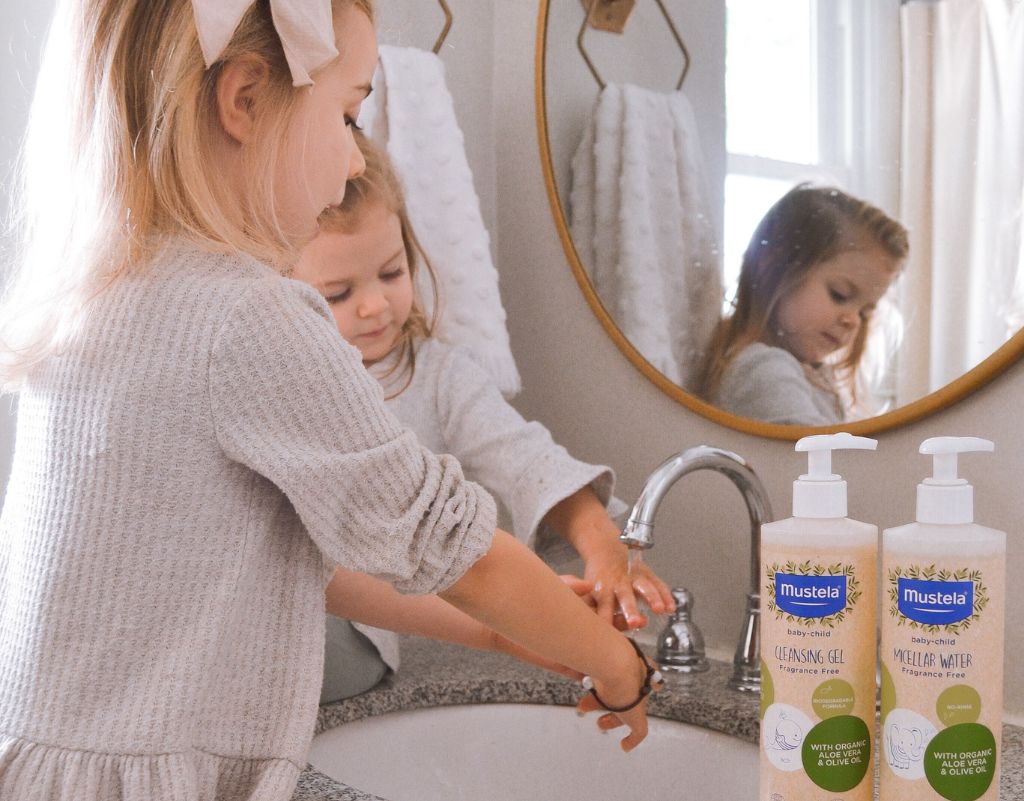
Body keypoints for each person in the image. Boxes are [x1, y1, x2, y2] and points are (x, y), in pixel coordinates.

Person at [0, 2, 658, 799]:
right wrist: (618, 664)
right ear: (243, 100)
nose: (354, 160)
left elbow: (302, 563)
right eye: (347, 114)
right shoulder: (249, 316)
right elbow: (457, 549)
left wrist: (498, 630)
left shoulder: (102, 295)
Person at [291, 135, 675, 701]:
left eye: (392, 274)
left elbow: (527, 461)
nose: (374, 305)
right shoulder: (277, 384)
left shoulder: (441, 377)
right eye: (339, 293)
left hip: (348, 640)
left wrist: (602, 545)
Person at [695, 183, 909, 426]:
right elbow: (817, 461)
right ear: (775, 268)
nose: (852, 321)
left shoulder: (808, 375)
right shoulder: (764, 369)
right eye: (839, 295)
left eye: (865, 312)